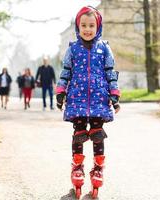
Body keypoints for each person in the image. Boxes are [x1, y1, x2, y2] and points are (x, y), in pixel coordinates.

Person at [56, 6, 120, 199]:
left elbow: (110, 72)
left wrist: (114, 94)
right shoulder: (73, 49)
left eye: (91, 25)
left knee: (98, 134)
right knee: (79, 133)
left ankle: (98, 168)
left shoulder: (104, 48)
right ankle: (77, 167)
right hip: (77, 99)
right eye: (83, 25)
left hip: (100, 99)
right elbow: (66, 71)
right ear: (78, 26)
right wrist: (61, 91)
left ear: (98, 26)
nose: (87, 29)